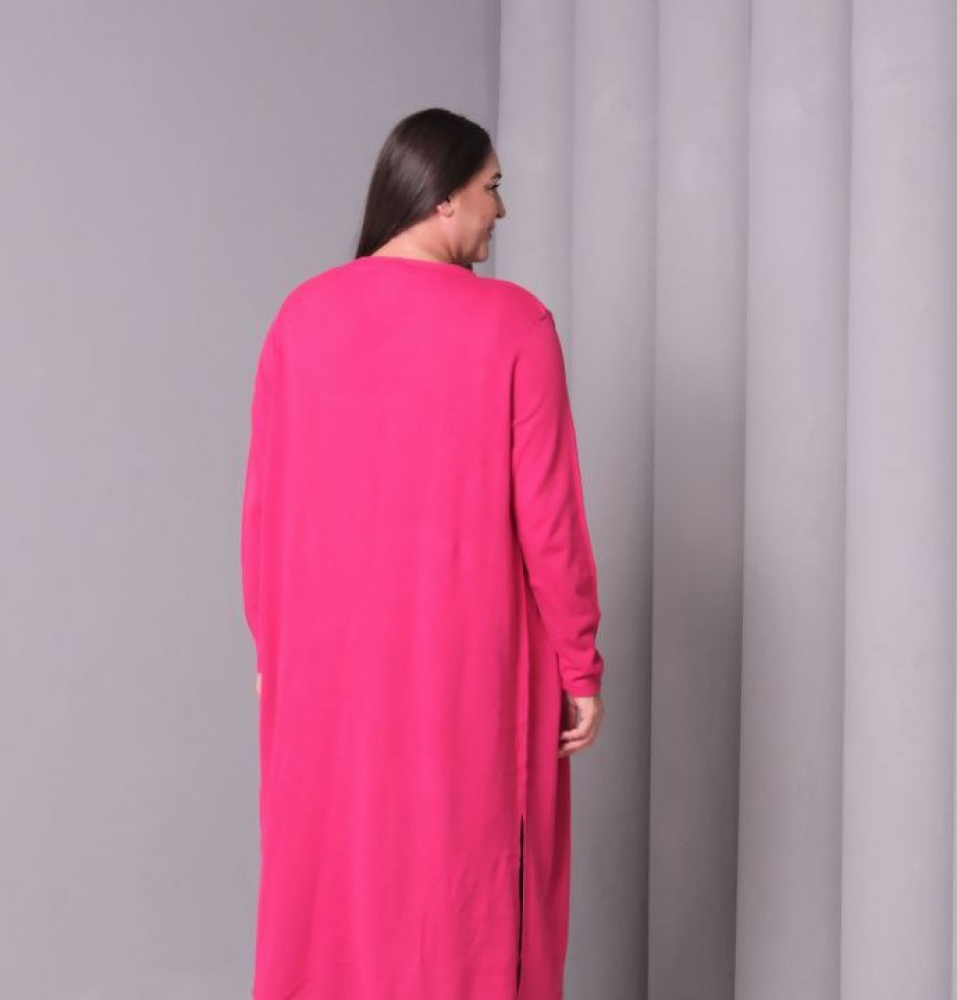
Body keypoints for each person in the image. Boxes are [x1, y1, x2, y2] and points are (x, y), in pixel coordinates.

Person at [241, 108, 605, 1000]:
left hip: (322, 671)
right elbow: (550, 519)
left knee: (335, 882)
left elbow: (264, 508)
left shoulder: (300, 317)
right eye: (491, 188)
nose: (500, 211)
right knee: (466, 885)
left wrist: (270, 648)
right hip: (469, 671)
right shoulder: (515, 325)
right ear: (443, 197)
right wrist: (578, 662)